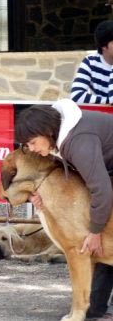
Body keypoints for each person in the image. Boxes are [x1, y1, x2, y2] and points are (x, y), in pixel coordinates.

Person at [16, 99, 113, 320]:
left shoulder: (77, 141)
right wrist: (40, 197)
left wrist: (95, 231)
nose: (31, 150)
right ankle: (95, 309)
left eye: (32, 143)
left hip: (107, 180)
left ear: (47, 131)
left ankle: (97, 309)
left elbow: (102, 190)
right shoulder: (62, 135)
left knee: (100, 234)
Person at [68, 19, 113, 320]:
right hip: (101, 156)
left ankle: (96, 306)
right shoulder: (89, 64)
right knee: (102, 230)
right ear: (106, 46)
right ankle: (95, 305)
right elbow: (78, 98)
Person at [70, 20, 113, 104]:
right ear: (104, 46)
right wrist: (109, 102)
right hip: (103, 114)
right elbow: (76, 96)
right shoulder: (91, 61)